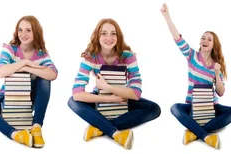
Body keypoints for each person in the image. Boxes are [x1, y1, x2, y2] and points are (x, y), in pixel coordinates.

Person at [67, 18, 161, 150]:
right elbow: (77, 94)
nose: (109, 38)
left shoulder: (128, 56)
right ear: (97, 36)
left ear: (118, 36)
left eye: (113, 33)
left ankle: (99, 127)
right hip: (100, 97)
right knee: (72, 101)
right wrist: (108, 98)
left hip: (123, 97)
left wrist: (108, 87)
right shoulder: (90, 56)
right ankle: (115, 133)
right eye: (104, 33)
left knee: (154, 108)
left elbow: (136, 93)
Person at [0, 15, 57, 148]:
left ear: (36, 32)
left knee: (45, 79)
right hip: (7, 98)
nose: (23, 34)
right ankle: (15, 134)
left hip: (29, 100)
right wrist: (24, 62)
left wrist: (27, 67)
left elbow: (52, 74)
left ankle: (36, 127)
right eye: (20, 30)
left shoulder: (42, 55)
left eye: (28, 30)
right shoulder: (10, 49)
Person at [161, 3, 231, 150]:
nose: (205, 41)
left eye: (209, 39)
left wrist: (217, 73)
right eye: (203, 38)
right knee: (175, 108)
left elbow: (220, 93)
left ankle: (194, 133)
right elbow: (177, 38)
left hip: (211, 106)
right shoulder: (192, 56)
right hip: (192, 104)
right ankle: (206, 135)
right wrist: (167, 16)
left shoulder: (217, 66)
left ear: (214, 45)